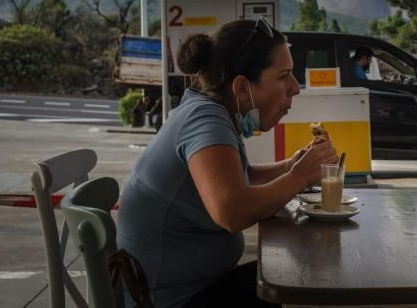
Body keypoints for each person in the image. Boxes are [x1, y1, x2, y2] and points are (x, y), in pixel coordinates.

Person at [117, 18, 337, 308]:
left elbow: (240, 177)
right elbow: (232, 211)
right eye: (284, 76)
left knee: (290, 275)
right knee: (300, 284)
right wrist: (297, 177)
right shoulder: (205, 120)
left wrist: (289, 167)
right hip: (169, 301)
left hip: (186, 288)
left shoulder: (209, 111)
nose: (295, 88)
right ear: (243, 87)